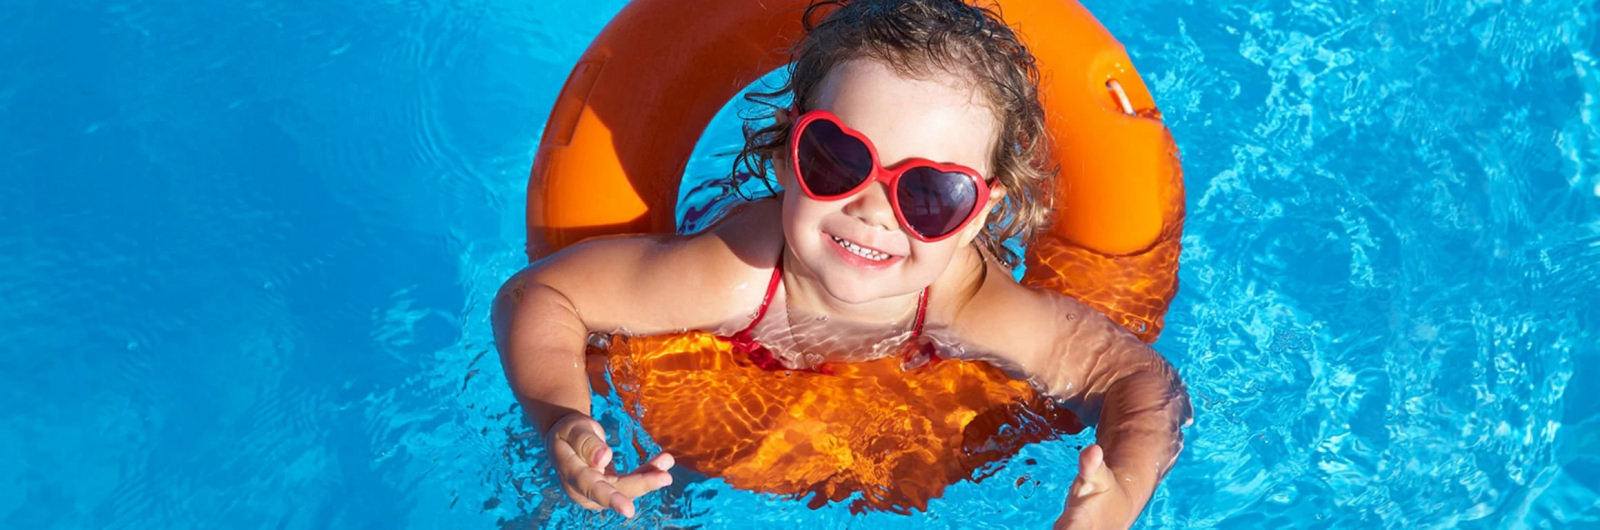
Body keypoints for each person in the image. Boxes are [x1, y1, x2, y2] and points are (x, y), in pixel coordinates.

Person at [491, 0, 1192, 527]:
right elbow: (542, 296)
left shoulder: (965, 301)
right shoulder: (732, 270)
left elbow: (1138, 379)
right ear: (783, 152)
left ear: (979, 215)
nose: (873, 210)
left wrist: (1119, 499)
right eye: (838, 159)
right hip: (714, 396)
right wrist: (561, 420)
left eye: (929, 193)